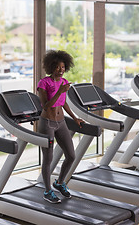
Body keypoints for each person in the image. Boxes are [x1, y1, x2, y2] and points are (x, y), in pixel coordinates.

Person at [37, 50, 84, 204]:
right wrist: (59, 92)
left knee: (71, 155)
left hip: (61, 122)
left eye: (63, 67)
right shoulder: (43, 83)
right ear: (51, 67)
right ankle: (47, 191)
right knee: (48, 159)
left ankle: (59, 182)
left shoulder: (64, 82)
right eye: (58, 67)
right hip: (47, 123)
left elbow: (63, 103)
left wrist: (75, 118)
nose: (61, 70)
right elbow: (46, 106)